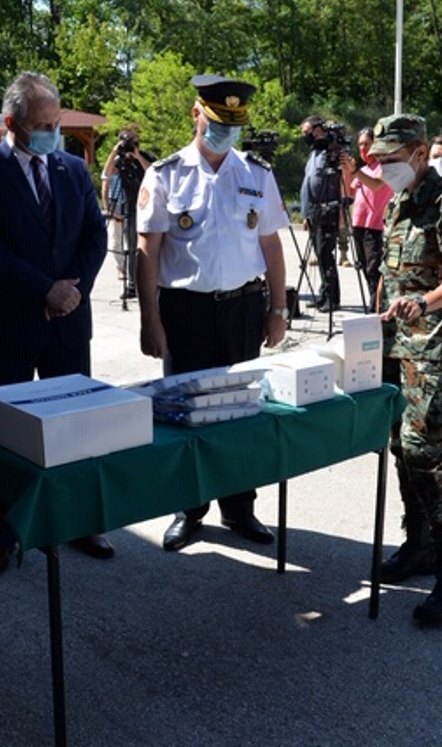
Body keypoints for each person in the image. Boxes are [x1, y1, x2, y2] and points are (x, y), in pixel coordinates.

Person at [0, 71, 111, 578]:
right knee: (5, 439)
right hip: (8, 325)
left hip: (68, 323)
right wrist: (45, 290)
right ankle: (0, 536)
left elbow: (94, 235)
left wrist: (73, 290)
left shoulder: (73, 168)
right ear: (11, 123)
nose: (51, 132)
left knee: (75, 428)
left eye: (55, 122)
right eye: (41, 125)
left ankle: (78, 521)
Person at [136, 74, 289, 551]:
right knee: (188, 413)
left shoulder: (256, 174)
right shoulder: (165, 174)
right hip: (186, 311)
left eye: (233, 125)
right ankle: (189, 508)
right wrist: (149, 319)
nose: (225, 133)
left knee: (242, 411)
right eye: (218, 123)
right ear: (196, 115)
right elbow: (148, 250)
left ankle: (240, 507)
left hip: (244, 308)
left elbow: (271, 244)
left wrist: (278, 307)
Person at [371, 113, 442, 623]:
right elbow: (389, 273)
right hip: (396, 349)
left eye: (391, 159)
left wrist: (423, 303)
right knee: (401, 449)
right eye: (378, 160)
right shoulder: (397, 202)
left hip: (433, 351)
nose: (384, 168)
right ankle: (417, 545)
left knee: (423, 454)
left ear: (419, 153)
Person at [101, 127, 152, 299]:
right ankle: (131, 285)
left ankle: (148, 283)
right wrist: (114, 152)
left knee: (145, 248)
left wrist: (138, 157)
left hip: (148, 207)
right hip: (129, 206)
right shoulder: (119, 160)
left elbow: (154, 173)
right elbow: (107, 175)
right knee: (130, 248)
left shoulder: (145, 156)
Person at [341, 127, 393, 298]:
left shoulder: (384, 166)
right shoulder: (364, 170)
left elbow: (375, 185)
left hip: (375, 226)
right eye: (360, 145)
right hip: (359, 225)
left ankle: (376, 303)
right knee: (364, 265)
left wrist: (355, 171)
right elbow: (349, 192)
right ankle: (373, 299)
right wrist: (346, 171)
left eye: (367, 144)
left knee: (374, 268)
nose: (363, 149)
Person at [300, 116, 342, 312]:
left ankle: (333, 298)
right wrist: (305, 214)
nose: (305, 136)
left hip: (327, 211)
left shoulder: (330, 152)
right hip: (313, 212)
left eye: (307, 132)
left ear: (317, 130)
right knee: (319, 254)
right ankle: (324, 294)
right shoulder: (314, 153)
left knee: (326, 255)